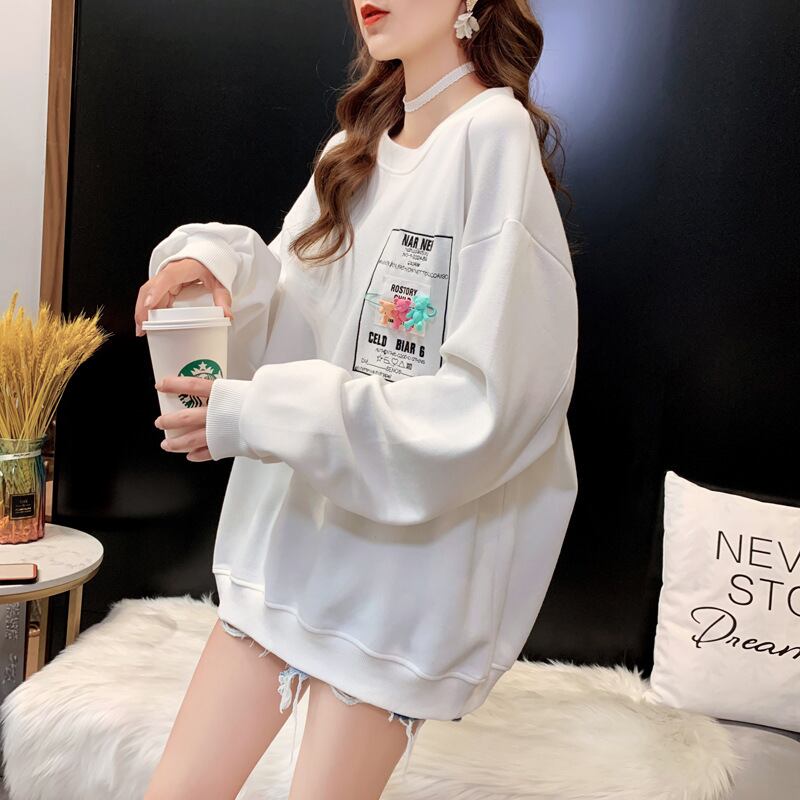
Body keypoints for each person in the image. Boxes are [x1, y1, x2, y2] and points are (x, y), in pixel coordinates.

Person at [134, 1, 579, 798]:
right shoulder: (355, 148)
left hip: (391, 585)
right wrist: (216, 267)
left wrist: (259, 413)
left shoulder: (492, 138)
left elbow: (491, 407)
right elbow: (296, 320)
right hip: (285, 555)